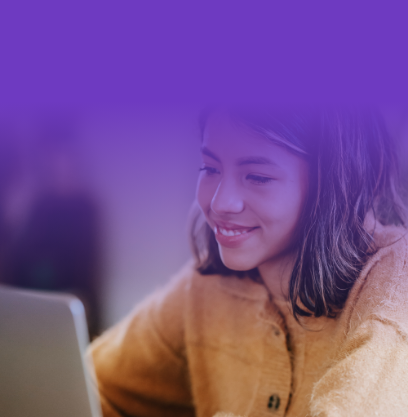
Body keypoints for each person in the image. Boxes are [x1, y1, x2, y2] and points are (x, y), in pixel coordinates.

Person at [88, 108, 408, 417]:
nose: (219, 202)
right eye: (210, 168)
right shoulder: (207, 288)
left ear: (339, 179)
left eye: (257, 176)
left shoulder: (395, 288)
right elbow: (89, 385)